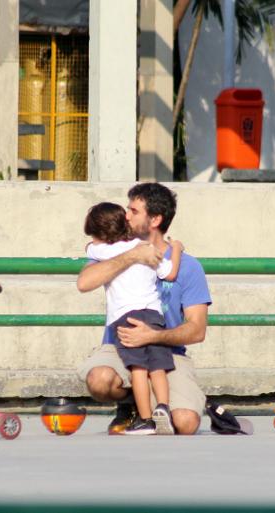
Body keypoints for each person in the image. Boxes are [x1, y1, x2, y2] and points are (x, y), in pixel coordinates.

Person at [77, 183, 211, 435]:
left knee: (186, 422)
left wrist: (154, 336)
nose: (125, 216)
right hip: (120, 345)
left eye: (133, 211)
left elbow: (197, 330)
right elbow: (84, 283)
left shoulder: (189, 267)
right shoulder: (113, 250)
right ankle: (131, 406)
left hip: (167, 352)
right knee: (100, 379)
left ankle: (150, 407)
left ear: (155, 219)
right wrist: (133, 256)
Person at [84, 201, 184, 435]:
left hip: (127, 319)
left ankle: (146, 419)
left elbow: (90, 248)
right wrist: (176, 249)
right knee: (158, 367)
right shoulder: (145, 247)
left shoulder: (103, 250)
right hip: (154, 316)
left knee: (138, 369)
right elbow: (170, 273)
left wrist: (95, 243)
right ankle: (163, 408)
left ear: (100, 233)